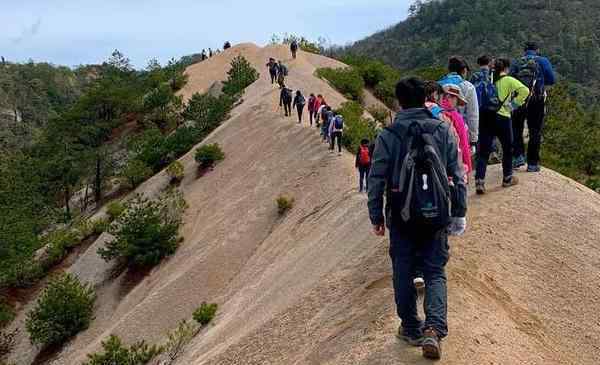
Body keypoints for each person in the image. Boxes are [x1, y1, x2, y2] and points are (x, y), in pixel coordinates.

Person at [368, 77, 467, 360]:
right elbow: (457, 175)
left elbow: (376, 179)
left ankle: (411, 327)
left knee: (403, 269)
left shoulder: (389, 134)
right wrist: (459, 212)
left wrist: (376, 214)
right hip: (436, 212)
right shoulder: (442, 128)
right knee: (435, 271)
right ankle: (434, 329)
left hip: (401, 214)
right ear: (427, 98)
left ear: (399, 101)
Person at [475, 58, 530, 194]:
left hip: (486, 117)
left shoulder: (487, 80)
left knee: (483, 151)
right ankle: (507, 178)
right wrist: (513, 105)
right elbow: (525, 90)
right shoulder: (509, 80)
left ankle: (480, 181)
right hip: (503, 117)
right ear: (506, 68)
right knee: (507, 148)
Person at [510, 42, 556, 172]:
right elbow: (551, 79)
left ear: (525, 51)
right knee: (535, 130)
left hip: (519, 99)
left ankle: (518, 156)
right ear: (537, 50)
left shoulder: (517, 62)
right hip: (537, 99)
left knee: (516, 128)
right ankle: (532, 163)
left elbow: (510, 79)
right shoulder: (543, 61)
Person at [438, 57, 480, 153]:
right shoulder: (468, 87)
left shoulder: (438, 85)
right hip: (461, 131)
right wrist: (473, 140)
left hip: (441, 131)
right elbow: (473, 114)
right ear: (464, 70)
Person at [440, 85, 473, 176]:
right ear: (450, 97)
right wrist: (467, 167)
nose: (457, 104)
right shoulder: (455, 116)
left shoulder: (432, 111)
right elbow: (463, 143)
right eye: (457, 100)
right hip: (455, 163)